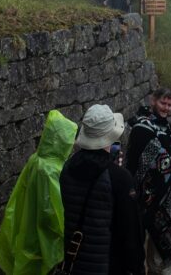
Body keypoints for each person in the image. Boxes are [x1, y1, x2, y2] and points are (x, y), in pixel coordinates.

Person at [60, 104, 145, 274]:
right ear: (111, 135)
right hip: (108, 265)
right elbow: (131, 234)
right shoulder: (119, 177)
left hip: (77, 263)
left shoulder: (68, 169)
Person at [0, 110, 79, 275]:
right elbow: (53, 212)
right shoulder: (50, 170)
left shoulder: (37, 159)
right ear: (61, 140)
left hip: (27, 225)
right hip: (40, 236)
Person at [125, 89, 171, 275]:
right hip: (150, 200)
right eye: (163, 103)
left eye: (170, 105)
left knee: (162, 253)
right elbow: (159, 158)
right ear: (153, 100)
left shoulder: (165, 126)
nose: (166, 108)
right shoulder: (143, 128)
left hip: (166, 197)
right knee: (157, 254)